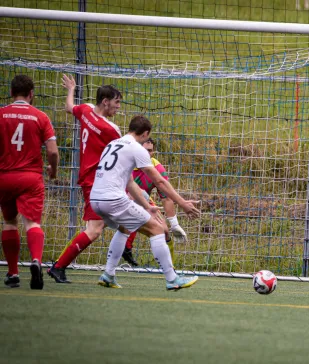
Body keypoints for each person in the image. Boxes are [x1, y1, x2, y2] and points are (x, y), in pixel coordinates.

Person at [90, 115, 200, 290]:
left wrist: (147, 206)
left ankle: (108, 275)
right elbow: (160, 182)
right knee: (156, 229)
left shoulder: (113, 144)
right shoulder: (136, 148)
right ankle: (172, 279)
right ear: (146, 133)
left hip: (95, 199)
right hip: (113, 199)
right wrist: (182, 202)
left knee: (125, 227)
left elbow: (129, 182)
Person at [47, 75, 122, 284]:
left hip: (89, 178)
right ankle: (59, 267)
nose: (118, 108)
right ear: (105, 101)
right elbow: (123, 155)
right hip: (97, 181)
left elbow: (70, 107)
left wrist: (71, 88)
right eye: (116, 103)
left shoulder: (87, 110)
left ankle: (121, 256)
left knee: (121, 220)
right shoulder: (111, 129)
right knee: (94, 230)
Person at [0, 75, 59, 289]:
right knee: (32, 223)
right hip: (30, 177)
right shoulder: (40, 117)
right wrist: (53, 168)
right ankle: (36, 260)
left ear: (11, 92)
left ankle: (13, 273)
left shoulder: (1, 114)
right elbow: (52, 150)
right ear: (31, 94)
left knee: (9, 222)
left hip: (4, 176)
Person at [122, 138, 187, 266]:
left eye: (150, 151)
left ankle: (170, 268)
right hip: (116, 198)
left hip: (142, 199)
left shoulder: (157, 168)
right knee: (95, 228)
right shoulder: (125, 162)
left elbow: (166, 197)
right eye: (145, 150)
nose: (148, 154)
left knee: (164, 230)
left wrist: (174, 224)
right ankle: (124, 250)